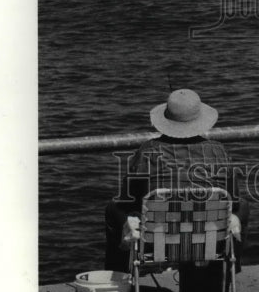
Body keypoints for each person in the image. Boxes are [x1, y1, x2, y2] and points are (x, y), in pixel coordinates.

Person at [104, 88, 249, 275]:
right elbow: (233, 200)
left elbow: (127, 199)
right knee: (243, 206)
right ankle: (228, 270)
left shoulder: (147, 151)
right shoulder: (218, 151)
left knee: (113, 209)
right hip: (207, 240)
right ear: (200, 120)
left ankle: (119, 278)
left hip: (156, 242)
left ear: (166, 121)